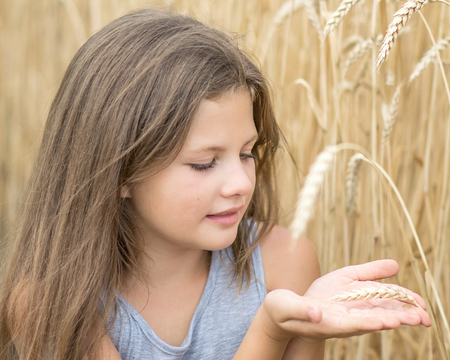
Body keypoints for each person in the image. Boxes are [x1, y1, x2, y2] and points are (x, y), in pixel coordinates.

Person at [0, 8, 430, 360]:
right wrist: (270, 331)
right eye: (205, 164)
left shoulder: (284, 263)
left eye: (247, 153)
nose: (241, 183)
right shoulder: (49, 301)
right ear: (119, 174)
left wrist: (300, 326)